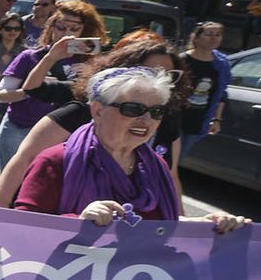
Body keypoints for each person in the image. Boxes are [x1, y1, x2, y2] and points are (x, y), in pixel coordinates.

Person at [13, 66, 248, 234]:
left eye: (157, 112)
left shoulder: (156, 165)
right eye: (133, 109)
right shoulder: (56, 160)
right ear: (97, 110)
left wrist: (207, 224)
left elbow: (159, 227)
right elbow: (23, 229)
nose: (146, 121)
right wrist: (79, 221)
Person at [0, 33, 186, 208]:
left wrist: (185, 226)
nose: (161, 81)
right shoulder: (77, 116)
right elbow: (25, 158)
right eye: (133, 110)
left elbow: (172, 178)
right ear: (98, 111)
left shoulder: (164, 122)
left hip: (134, 242)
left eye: (170, 75)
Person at [0, 0, 108, 165]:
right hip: (20, 129)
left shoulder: (90, 63)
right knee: (13, 185)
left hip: (61, 132)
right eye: (61, 27)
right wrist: (37, 90)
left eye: (74, 29)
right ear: (51, 28)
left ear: (85, 31)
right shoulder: (30, 57)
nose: (67, 33)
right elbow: (1, 95)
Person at [180, 21, 230, 147]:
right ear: (196, 38)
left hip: (199, 121)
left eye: (218, 34)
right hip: (176, 118)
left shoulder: (221, 64)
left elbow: (221, 94)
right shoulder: (182, 60)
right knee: (165, 159)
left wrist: (216, 120)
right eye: (209, 34)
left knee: (178, 159)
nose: (214, 38)